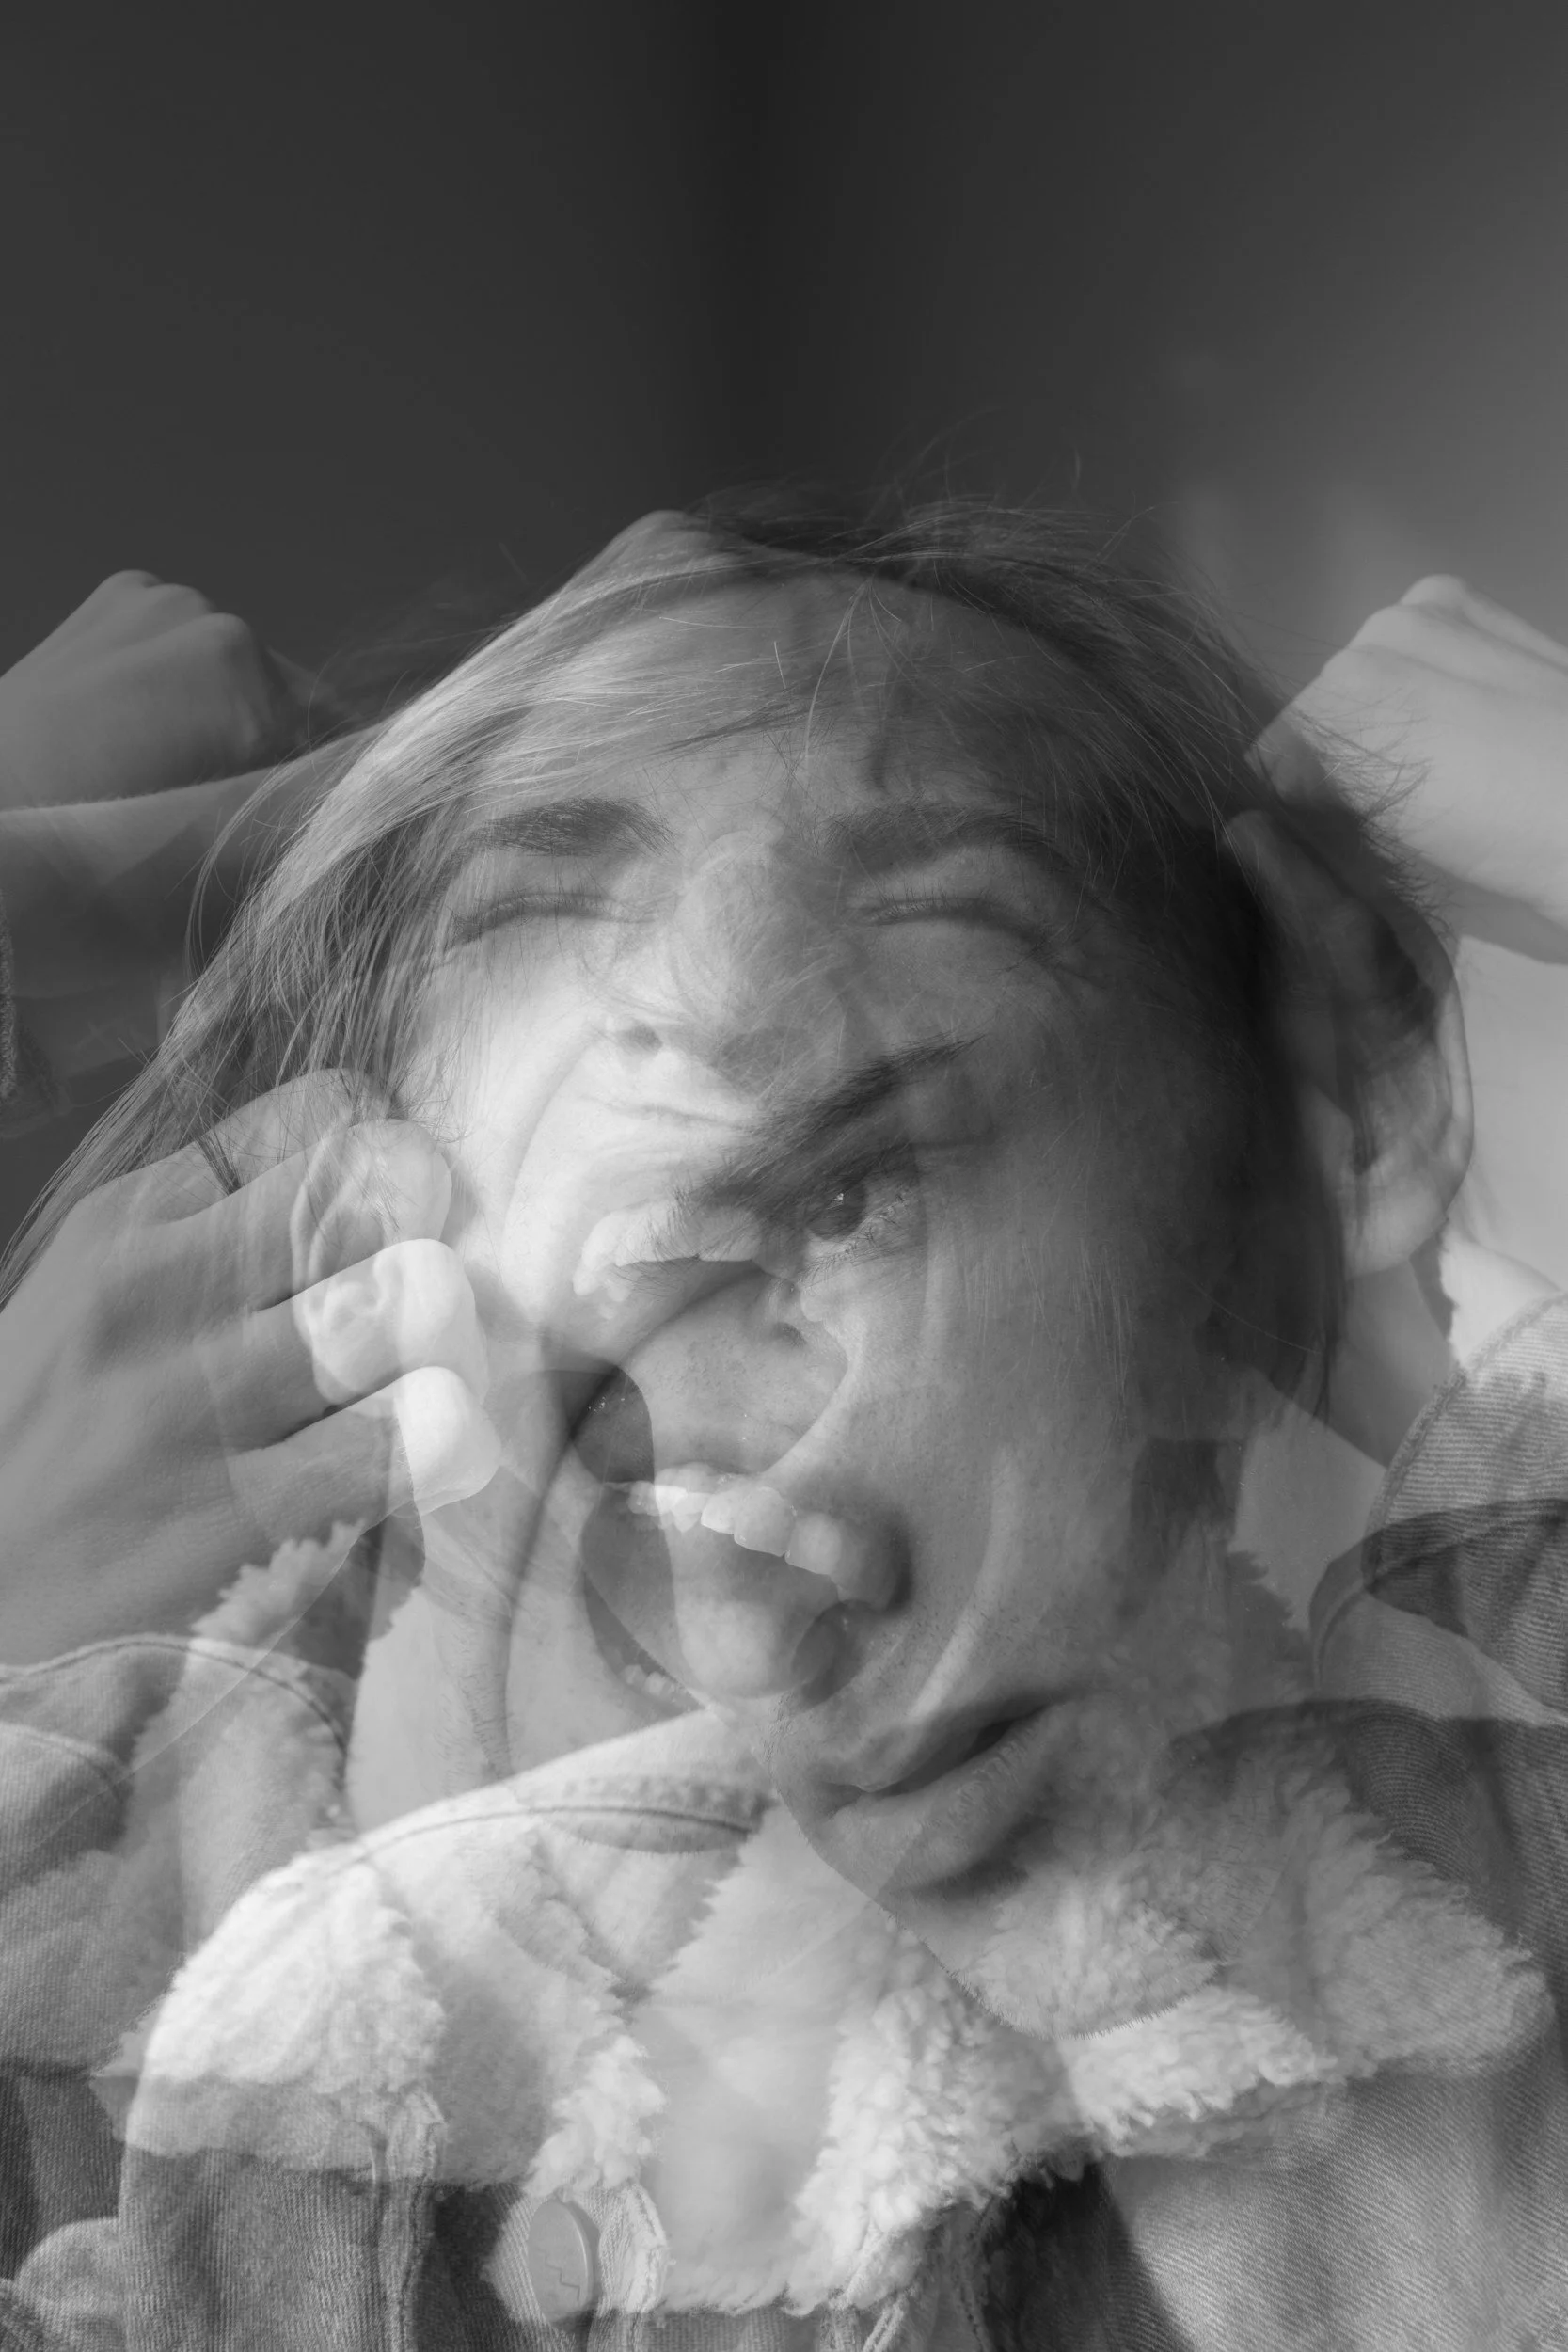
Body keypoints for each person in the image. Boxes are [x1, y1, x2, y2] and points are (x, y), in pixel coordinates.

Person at [0, 497, 1564, 2349]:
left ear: (1209, 1270)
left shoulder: (1450, 1947)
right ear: (332, 1202)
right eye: (543, 908)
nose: (721, 1002)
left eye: (939, 910)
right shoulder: (132, 1941)